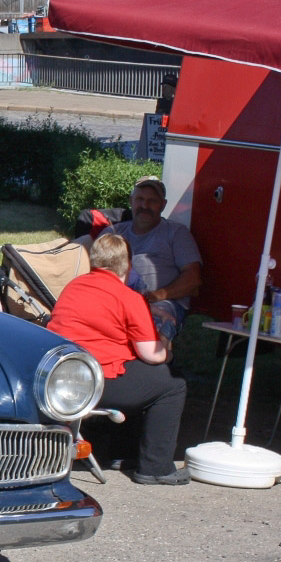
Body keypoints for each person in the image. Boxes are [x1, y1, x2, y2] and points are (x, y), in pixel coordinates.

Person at [47, 234, 188, 486]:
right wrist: (169, 350)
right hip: (95, 380)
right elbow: (151, 354)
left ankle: (116, 453)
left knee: (136, 374)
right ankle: (156, 467)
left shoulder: (74, 287)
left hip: (62, 374)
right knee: (171, 385)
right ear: (127, 266)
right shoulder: (128, 297)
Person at [100, 175, 201, 342]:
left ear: (163, 205)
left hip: (162, 303)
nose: (144, 205)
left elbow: (193, 278)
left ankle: (152, 364)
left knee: (147, 330)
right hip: (117, 302)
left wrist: (155, 295)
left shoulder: (176, 233)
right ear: (131, 200)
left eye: (152, 200)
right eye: (139, 199)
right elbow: (93, 272)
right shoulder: (112, 233)